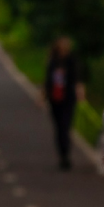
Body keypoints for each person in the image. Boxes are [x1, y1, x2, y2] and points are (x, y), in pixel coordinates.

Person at [44, 36, 80, 170]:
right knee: (58, 127)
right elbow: (48, 79)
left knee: (65, 126)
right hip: (55, 98)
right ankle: (62, 153)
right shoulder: (53, 61)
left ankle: (66, 154)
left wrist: (79, 91)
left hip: (68, 98)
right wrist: (43, 94)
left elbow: (76, 77)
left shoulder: (71, 61)